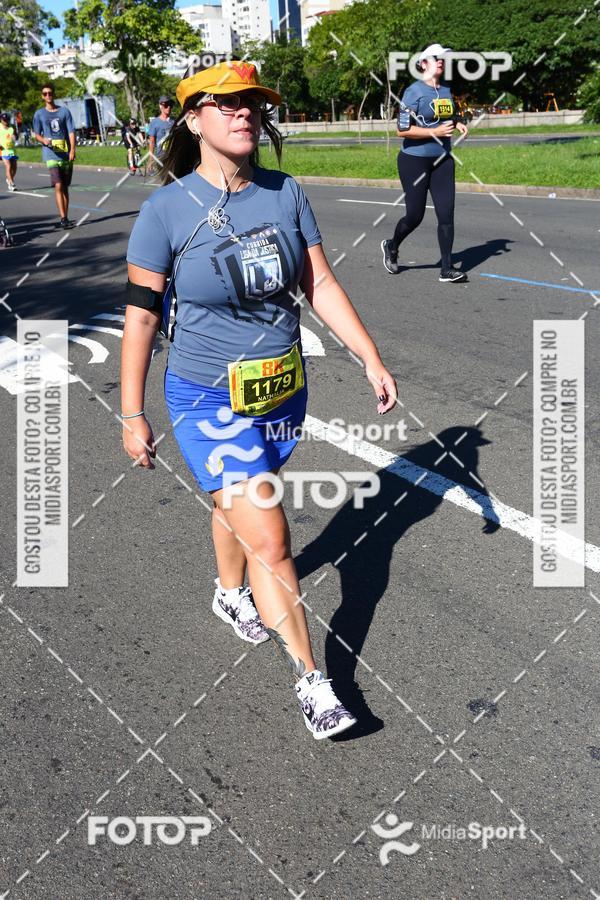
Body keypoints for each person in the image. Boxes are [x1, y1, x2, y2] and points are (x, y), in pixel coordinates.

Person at [121, 61, 397, 740]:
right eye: (227, 103)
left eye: (252, 102)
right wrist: (132, 411)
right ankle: (315, 683)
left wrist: (369, 355)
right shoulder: (164, 211)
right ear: (194, 120)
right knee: (270, 536)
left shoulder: (284, 192)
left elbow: (318, 284)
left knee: (239, 503)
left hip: (281, 391)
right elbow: (142, 316)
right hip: (206, 397)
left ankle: (228, 592)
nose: (244, 111)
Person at [381, 43, 469, 284]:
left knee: (446, 213)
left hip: (443, 159)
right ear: (423, 64)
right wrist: (435, 132)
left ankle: (447, 268)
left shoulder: (446, 89)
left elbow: (442, 115)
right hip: (414, 161)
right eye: (436, 57)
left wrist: (457, 122)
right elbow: (402, 130)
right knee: (415, 215)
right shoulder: (413, 92)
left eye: (443, 59)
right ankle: (392, 245)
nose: (441, 61)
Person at [32, 84, 76, 229]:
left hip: (65, 153)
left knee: (65, 187)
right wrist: (43, 140)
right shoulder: (39, 114)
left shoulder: (64, 111)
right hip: (50, 154)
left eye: (50, 93)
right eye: (45, 94)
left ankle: (66, 216)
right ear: (42, 96)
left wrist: (72, 150)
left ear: (53, 94)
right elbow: (36, 134)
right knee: (58, 185)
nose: (48, 96)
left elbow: (71, 132)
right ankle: (63, 218)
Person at [147, 95, 174, 172]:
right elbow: (152, 142)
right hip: (160, 158)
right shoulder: (155, 123)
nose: (168, 107)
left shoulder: (174, 122)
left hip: (173, 158)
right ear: (160, 106)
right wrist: (150, 159)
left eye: (170, 105)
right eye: (166, 105)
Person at [0, 113, 18, 191]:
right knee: (8, 166)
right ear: (1, 120)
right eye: (4, 120)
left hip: (12, 150)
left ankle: (9, 179)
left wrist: (14, 137)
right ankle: (11, 183)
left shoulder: (11, 127)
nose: (5, 121)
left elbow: (15, 136)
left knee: (14, 167)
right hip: (3, 150)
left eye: (7, 120)